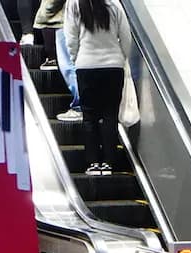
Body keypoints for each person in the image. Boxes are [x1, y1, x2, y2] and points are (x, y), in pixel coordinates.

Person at [65, 0, 131, 176]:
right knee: (110, 115)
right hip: (113, 67)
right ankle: (109, 162)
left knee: (89, 116)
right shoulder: (115, 4)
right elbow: (126, 37)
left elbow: (70, 37)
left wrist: (75, 59)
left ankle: (93, 162)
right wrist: (120, 58)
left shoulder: (75, 4)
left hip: (86, 66)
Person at [34, 0, 82, 122]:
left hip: (63, 20)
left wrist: (45, 11)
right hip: (74, 18)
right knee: (73, 64)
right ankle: (84, 106)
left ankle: (79, 106)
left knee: (69, 66)